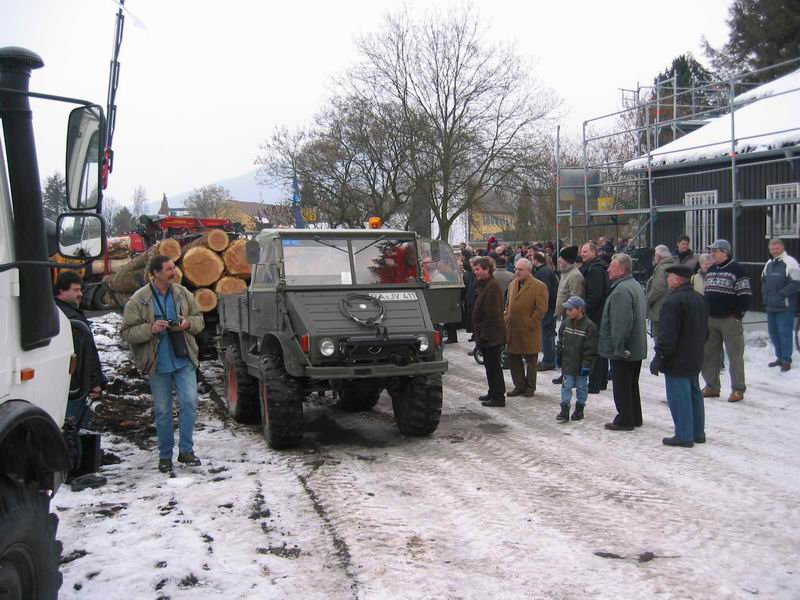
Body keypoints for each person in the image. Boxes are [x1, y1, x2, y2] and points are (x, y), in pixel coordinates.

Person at [120, 255, 205, 472]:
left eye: (173, 267)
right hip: (157, 363)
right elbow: (126, 332)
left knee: (190, 402)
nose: (173, 272)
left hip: (183, 358)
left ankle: (186, 451)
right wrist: (151, 329)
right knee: (163, 410)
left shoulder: (183, 294)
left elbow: (199, 319)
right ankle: (165, 455)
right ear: (155, 273)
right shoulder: (139, 299)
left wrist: (187, 323)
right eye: (168, 269)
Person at [650, 264, 709, 447]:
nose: (667, 280)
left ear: (677, 280)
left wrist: (659, 357)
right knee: (694, 394)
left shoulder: (673, 302)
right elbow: (706, 331)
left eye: (669, 277)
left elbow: (667, 335)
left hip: (677, 358)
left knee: (679, 397)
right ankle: (697, 432)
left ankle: (684, 434)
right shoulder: (699, 298)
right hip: (695, 354)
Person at [599, 254, 647, 431]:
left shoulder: (621, 290)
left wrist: (618, 348)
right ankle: (635, 416)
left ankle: (625, 419)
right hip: (635, 346)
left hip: (625, 348)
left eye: (611, 267)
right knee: (631, 383)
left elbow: (621, 323)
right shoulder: (633, 285)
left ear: (621, 269)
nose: (608, 270)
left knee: (622, 385)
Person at [54, 271, 108, 428]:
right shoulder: (73, 320)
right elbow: (84, 356)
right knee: (74, 430)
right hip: (77, 387)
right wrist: (94, 383)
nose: (81, 294)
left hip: (64, 385)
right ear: (62, 291)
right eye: (76, 290)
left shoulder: (54, 311)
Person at [701, 239, 751, 403]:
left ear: (725, 252)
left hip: (730, 319)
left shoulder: (737, 270)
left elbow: (745, 294)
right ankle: (712, 386)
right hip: (711, 318)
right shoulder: (711, 269)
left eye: (715, 251)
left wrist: (738, 315)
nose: (711, 254)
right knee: (709, 354)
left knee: (735, 355)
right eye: (711, 251)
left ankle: (738, 389)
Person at [505, 258, 548, 397]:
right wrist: (506, 317)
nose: (517, 272)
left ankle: (530, 387)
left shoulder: (539, 286)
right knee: (514, 358)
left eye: (520, 269)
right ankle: (519, 385)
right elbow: (508, 304)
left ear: (529, 270)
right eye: (516, 269)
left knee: (531, 360)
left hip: (529, 329)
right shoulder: (512, 284)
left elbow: (541, 309)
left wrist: (530, 322)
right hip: (513, 328)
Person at [555, 296, 598, 423]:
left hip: (581, 365)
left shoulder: (589, 326)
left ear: (580, 310)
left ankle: (579, 408)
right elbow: (561, 340)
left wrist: (586, 365)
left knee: (581, 387)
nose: (567, 312)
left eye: (570, 309)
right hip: (568, 363)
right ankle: (564, 410)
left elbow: (590, 349)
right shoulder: (566, 323)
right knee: (566, 386)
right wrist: (559, 354)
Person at [472, 257, 507, 407]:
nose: (475, 272)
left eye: (478, 269)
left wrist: (484, 335)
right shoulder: (485, 285)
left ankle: (498, 397)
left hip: (491, 335)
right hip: (487, 335)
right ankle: (493, 392)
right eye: (474, 269)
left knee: (494, 367)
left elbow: (492, 315)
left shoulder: (492, 287)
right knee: (489, 366)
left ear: (487, 270)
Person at [762, 238, 800, 372]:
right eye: (772, 249)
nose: (774, 251)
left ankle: (786, 361)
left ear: (782, 248)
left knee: (785, 334)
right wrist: (765, 294)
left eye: (777, 248)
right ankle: (779, 357)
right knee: (773, 334)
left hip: (785, 306)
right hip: (771, 305)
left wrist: (780, 294)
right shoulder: (769, 263)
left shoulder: (790, 262)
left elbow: (796, 283)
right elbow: (763, 280)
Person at [579, 242, 609, 393]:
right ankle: (601, 381)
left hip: (595, 314)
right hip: (599, 312)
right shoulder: (595, 267)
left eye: (585, 251)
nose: (582, 254)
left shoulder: (595, 270)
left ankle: (595, 383)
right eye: (582, 251)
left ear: (594, 252)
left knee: (595, 349)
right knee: (600, 349)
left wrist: (586, 312)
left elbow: (595, 295)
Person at [552, 245, 584, 384]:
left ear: (568, 260)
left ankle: (568, 374)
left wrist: (570, 315)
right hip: (566, 314)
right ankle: (565, 372)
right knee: (563, 343)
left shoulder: (575, 275)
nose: (559, 260)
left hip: (570, 315)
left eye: (561, 258)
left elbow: (575, 297)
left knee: (569, 345)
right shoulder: (565, 273)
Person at [645, 245, 678, 340]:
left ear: (659, 256)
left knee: (659, 339)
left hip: (660, 309)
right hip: (672, 308)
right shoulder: (675, 265)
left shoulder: (662, 269)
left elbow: (657, 289)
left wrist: (647, 301)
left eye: (655, 255)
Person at [532, 252, 558, 371]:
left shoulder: (543, 273)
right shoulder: (545, 271)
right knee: (549, 333)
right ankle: (550, 359)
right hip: (550, 307)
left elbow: (544, 291)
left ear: (536, 260)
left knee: (546, 334)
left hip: (547, 308)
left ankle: (548, 360)